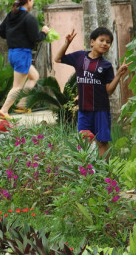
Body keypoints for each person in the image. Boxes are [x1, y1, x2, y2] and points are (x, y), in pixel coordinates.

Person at [54, 27, 131, 157]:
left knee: (102, 143)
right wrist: (67, 43)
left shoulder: (106, 66)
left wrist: (118, 75)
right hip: (84, 109)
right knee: (84, 141)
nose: (105, 43)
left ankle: (104, 174)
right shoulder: (79, 57)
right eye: (101, 40)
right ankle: (87, 173)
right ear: (92, 42)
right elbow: (58, 59)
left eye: (108, 42)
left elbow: (108, 91)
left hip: (101, 109)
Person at [0, 0, 50, 119]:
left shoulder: (11, 15)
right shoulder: (29, 18)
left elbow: (1, 31)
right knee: (17, 86)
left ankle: (22, 104)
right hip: (23, 54)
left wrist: (13, 37)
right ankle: (4, 110)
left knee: (34, 76)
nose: (33, 2)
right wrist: (44, 32)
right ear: (28, 1)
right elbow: (36, 38)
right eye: (32, 0)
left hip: (13, 53)